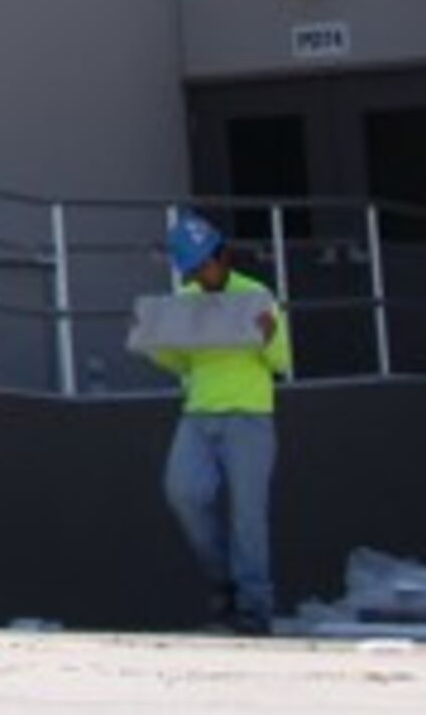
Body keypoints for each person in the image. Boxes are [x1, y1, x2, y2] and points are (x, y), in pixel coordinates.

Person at [151, 210, 292, 634]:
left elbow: (281, 361)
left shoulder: (256, 294)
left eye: (202, 266)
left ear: (221, 256)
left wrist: (267, 335)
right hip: (198, 413)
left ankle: (254, 609)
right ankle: (224, 581)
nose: (198, 276)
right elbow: (178, 361)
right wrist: (153, 341)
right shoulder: (185, 299)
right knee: (183, 493)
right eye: (191, 270)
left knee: (248, 515)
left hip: (249, 414)